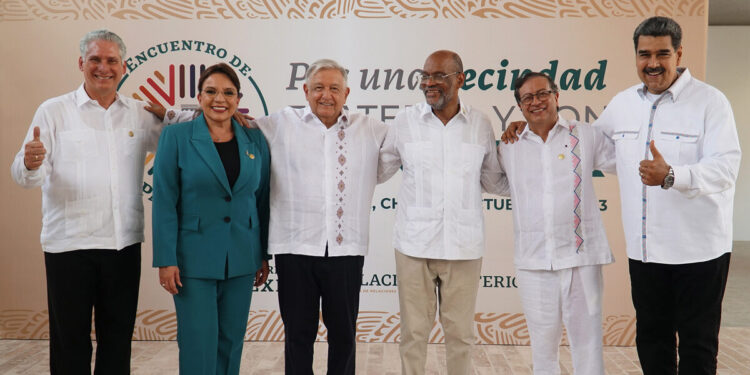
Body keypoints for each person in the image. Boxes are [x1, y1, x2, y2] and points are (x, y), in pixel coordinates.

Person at [503, 17, 741, 375]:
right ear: (636, 57)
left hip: (699, 250)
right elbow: (582, 144)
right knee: (652, 341)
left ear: (679, 53)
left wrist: (673, 175)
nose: (653, 63)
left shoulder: (711, 103)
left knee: (697, 345)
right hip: (645, 252)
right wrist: (529, 127)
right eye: (645, 54)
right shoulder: (623, 104)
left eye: (663, 53)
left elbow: (726, 168)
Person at [9, 29, 173, 374]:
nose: (104, 67)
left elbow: (183, 145)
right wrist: (30, 162)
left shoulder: (140, 113)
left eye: (111, 60)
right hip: (68, 246)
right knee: (70, 343)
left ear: (124, 66)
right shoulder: (53, 111)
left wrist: (176, 115)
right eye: (95, 59)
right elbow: (24, 176)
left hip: (122, 245)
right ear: (81, 63)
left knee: (118, 342)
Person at [250, 59, 388, 374]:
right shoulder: (281, 123)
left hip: (345, 250)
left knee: (343, 336)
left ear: (346, 93)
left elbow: (409, 143)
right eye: (319, 88)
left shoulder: (369, 128)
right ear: (305, 90)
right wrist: (173, 116)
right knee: (298, 335)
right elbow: (232, 124)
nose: (326, 95)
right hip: (294, 249)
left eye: (334, 88)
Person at [378, 50, 505, 375]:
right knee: (413, 336)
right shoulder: (405, 121)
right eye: (425, 75)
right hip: (413, 247)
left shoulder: (480, 124)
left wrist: (526, 147)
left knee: (461, 337)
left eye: (439, 76)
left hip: (463, 248)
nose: (429, 82)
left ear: (460, 80)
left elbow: (493, 180)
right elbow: (377, 170)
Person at [151, 63, 270, 374]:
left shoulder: (255, 140)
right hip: (192, 261)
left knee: (231, 343)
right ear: (199, 96)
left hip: (243, 259)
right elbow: (164, 201)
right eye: (212, 91)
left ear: (238, 98)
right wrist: (166, 258)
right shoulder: (176, 137)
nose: (220, 99)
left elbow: (261, 200)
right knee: (197, 343)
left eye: (228, 92)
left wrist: (262, 255)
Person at [498, 72, 615, 374]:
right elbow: (491, 181)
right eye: (527, 98)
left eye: (542, 94)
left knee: (588, 345)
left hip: (582, 259)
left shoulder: (586, 134)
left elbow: (622, 160)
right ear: (519, 106)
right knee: (543, 348)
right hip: (534, 262)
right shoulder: (509, 146)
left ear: (556, 96)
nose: (536, 102)